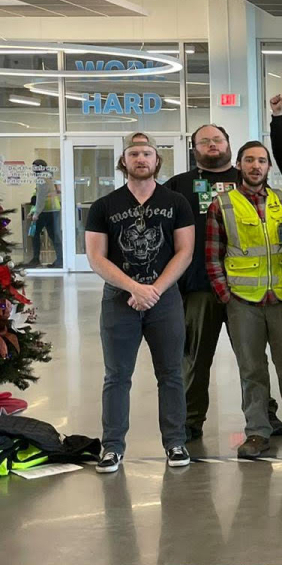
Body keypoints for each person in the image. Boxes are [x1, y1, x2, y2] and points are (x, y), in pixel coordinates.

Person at [205, 142, 282, 459]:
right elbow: (212, 256)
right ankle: (257, 433)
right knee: (252, 370)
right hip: (243, 301)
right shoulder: (223, 204)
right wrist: (225, 294)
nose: (255, 166)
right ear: (240, 165)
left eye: (261, 161)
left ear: (269, 166)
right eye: (249, 160)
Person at [163, 125, 282, 442]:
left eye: (218, 140)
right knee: (196, 359)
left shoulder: (248, 180)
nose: (212, 145)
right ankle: (190, 419)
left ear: (230, 145)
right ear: (194, 148)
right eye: (205, 141)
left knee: (253, 359)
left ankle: (265, 414)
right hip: (199, 287)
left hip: (246, 289)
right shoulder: (178, 186)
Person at [85, 132, 194, 473]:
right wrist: (135, 287)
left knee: (172, 374)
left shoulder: (176, 202)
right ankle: (112, 447)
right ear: (124, 162)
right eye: (134, 154)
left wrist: (155, 290)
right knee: (117, 376)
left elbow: (184, 251)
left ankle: (175, 442)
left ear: (156, 161)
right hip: (120, 300)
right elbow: (95, 257)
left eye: (147, 153)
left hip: (165, 300)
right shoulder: (104, 206)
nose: (141, 159)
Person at [25, 159, 63, 268]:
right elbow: (37, 197)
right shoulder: (50, 177)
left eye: (34, 168)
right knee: (54, 236)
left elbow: (40, 198)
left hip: (45, 211)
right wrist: (33, 210)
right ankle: (60, 261)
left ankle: (36, 259)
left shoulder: (41, 179)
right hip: (54, 209)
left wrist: (36, 213)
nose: (33, 170)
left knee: (35, 233)